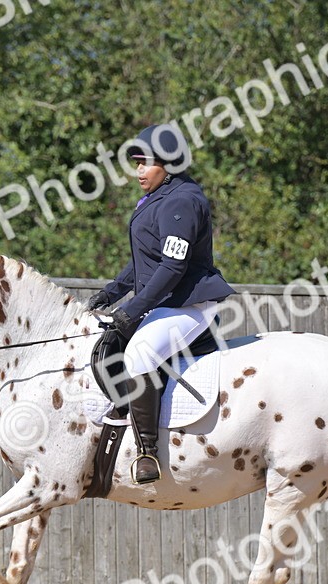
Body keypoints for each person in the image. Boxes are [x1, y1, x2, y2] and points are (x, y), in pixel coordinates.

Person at [85, 124, 234, 484]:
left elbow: (172, 267)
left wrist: (132, 310)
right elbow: (145, 260)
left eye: (146, 164)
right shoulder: (160, 196)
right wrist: (112, 292)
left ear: (167, 165)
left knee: (140, 353)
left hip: (188, 304)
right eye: (136, 163)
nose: (139, 171)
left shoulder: (181, 200)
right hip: (168, 301)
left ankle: (147, 451)